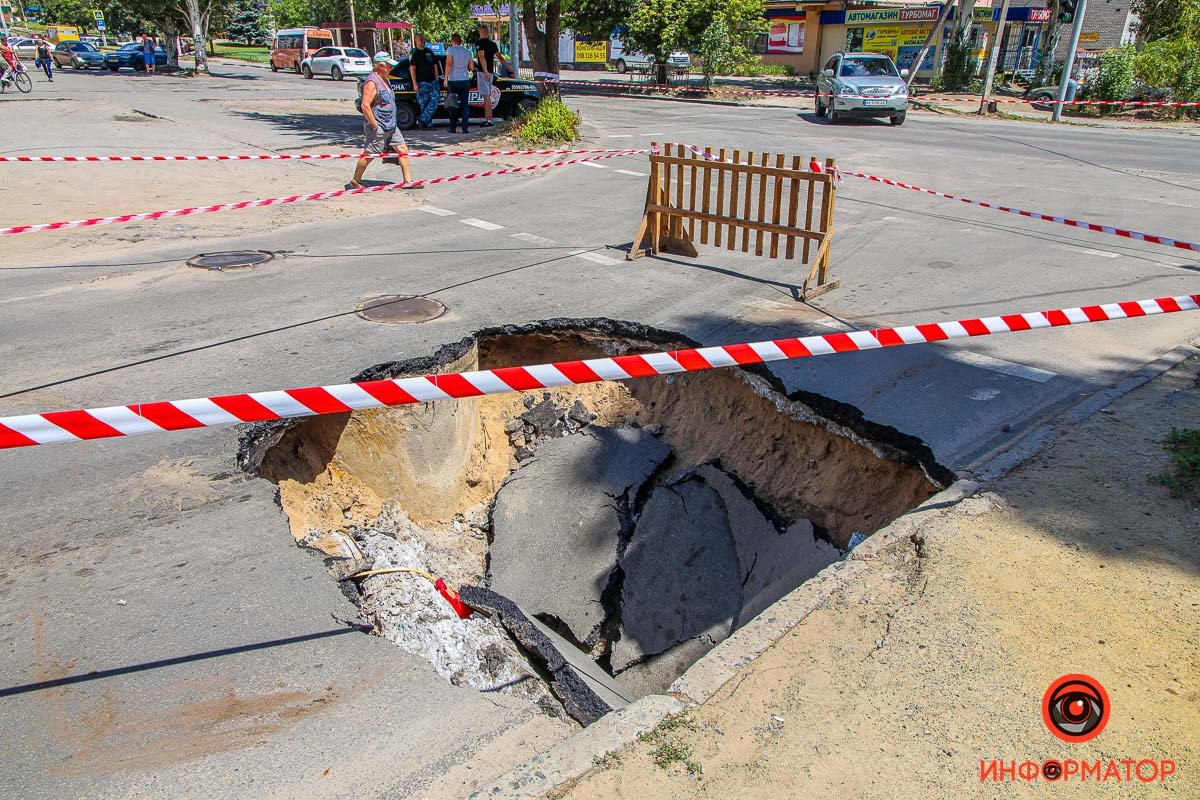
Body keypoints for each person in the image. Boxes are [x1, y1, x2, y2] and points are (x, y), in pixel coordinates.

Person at [351, 51, 414, 189]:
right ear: (380, 66)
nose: (391, 68)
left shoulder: (386, 79)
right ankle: (356, 180)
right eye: (388, 66)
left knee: (402, 149)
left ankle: (407, 182)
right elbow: (365, 106)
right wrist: (375, 126)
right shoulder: (371, 82)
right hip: (379, 125)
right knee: (369, 154)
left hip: (391, 125)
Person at [474, 25, 511, 127]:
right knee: (487, 97)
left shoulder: (479, 44)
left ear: (481, 33)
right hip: (490, 73)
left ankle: (489, 120)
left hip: (483, 73)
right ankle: (487, 119)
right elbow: (501, 58)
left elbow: (481, 57)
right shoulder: (493, 44)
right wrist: (510, 70)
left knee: (487, 97)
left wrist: (485, 70)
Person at [409, 33, 441, 130]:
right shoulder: (413, 53)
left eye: (423, 39)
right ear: (416, 41)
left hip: (432, 81)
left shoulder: (429, 52)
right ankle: (427, 125)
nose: (423, 41)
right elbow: (412, 69)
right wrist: (414, 84)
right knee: (424, 103)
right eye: (420, 40)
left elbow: (435, 65)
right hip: (421, 83)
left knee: (435, 100)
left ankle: (422, 119)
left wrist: (436, 78)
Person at [444, 34, 473, 134]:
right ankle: (465, 128)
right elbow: (472, 68)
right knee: (465, 105)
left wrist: (445, 78)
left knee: (452, 104)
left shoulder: (450, 50)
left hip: (453, 80)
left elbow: (449, 64)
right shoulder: (468, 52)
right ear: (460, 41)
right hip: (465, 80)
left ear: (452, 41)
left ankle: (452, 128)